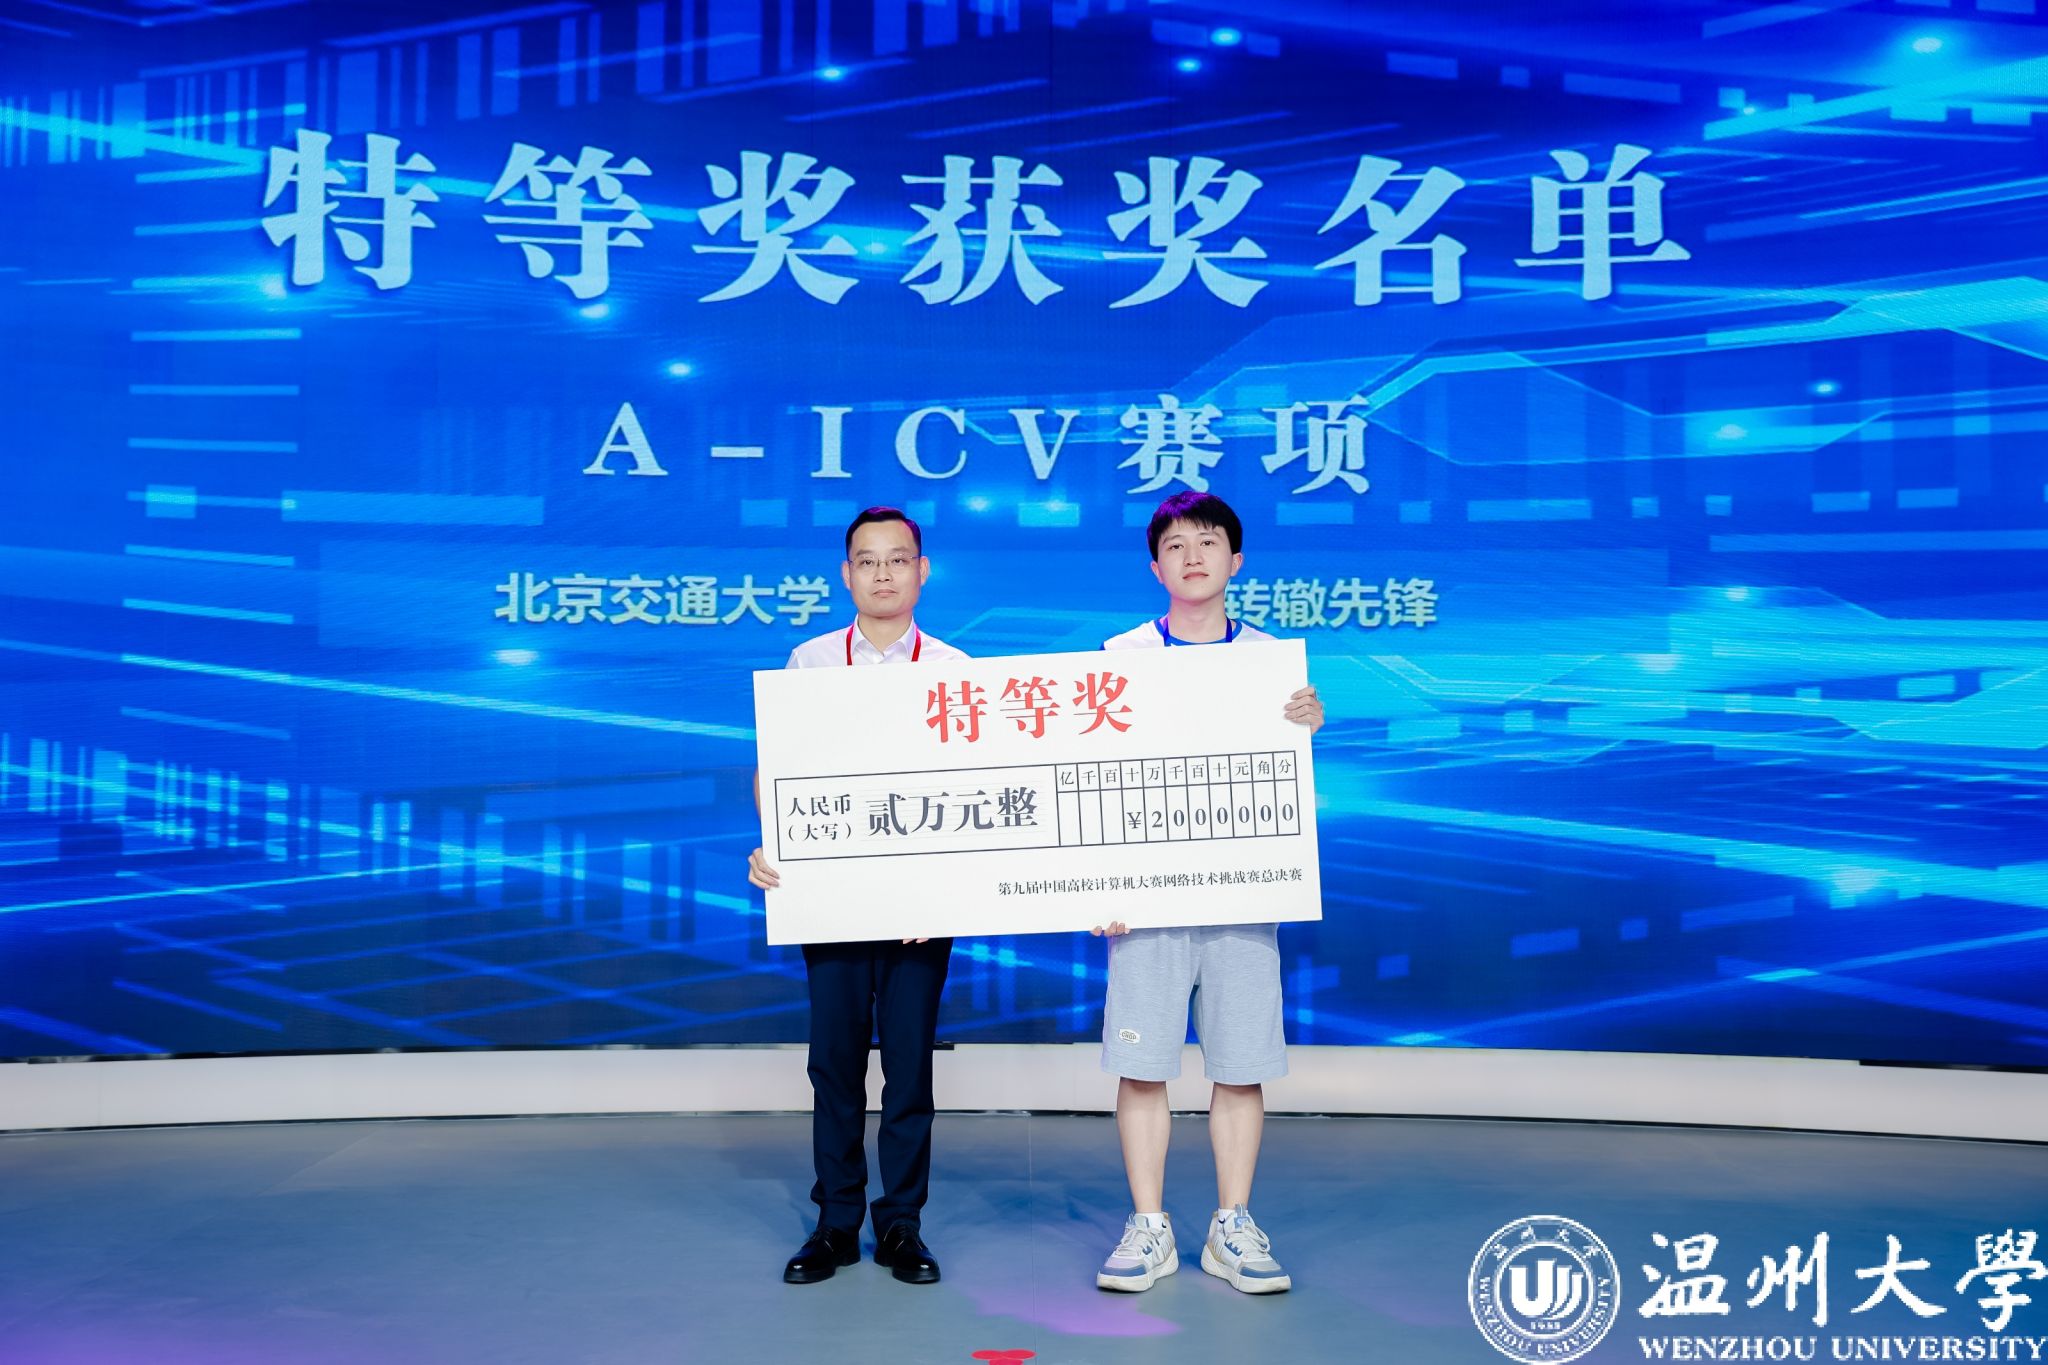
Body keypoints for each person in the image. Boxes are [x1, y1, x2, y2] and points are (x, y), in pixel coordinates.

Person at [1089, 490, 1324, 1297]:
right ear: (1155, 567)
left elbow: (1282, 786)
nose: (1193, 556)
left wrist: (1304, 729)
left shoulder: (1272, 662)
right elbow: (1094, 777)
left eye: (1209, 541)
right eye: (1176, 545)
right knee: (1141, 1064)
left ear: (1237, 559)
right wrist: (1101, 883)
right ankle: (1148, 1224)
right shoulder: (1119, 656)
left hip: (1241, 895)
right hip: (1145, 898)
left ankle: (1233, 1223)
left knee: (1240, 1063)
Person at [747, 506, 962, 1286]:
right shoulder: (808, 662)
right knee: (834, 1065)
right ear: (846, 574)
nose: (882, 573)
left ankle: (901, 1224)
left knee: (908, 1068)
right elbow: (775, 769)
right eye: (867, 560)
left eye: (897, 559)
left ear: (921, 571)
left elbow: (972, 790)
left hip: (919, 908)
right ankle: (836, 1222)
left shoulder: (955, 668)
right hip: (830, 898)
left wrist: (944, 888)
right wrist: (771, 843)